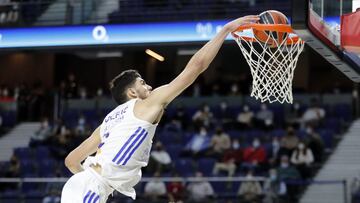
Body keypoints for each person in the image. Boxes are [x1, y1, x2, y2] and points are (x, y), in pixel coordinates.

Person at [61, 15, 260, 203]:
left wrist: (97, 181)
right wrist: (225, 30)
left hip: (82, 185)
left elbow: (71, 161)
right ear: (132, 93)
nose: (149, 87)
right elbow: (195, 68)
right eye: (143, 82)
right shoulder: (146, 103)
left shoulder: (108, 123)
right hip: (91, 188)